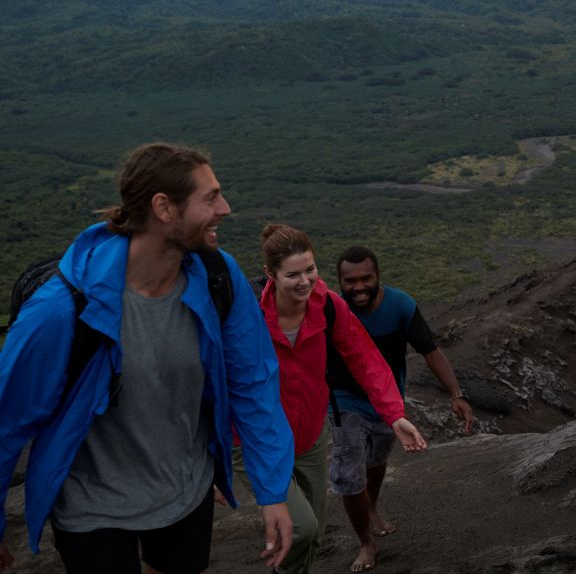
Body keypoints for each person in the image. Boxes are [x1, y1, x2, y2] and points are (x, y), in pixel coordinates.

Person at [0, 143, 295, 573]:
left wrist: (272, 492)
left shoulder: (218, 277)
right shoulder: (62, 310)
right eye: (210, 197)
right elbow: (8, 419)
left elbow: (253, 383)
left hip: (186, 491)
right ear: (164, 208)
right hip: (93, 507)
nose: (226, 208)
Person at [237, 225, 426, 574]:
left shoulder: (327, 306)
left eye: (310, 269)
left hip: (308, 435)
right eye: (292, 274)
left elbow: (363, 357)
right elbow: (218, 378)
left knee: (315, 532)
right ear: (270, 275)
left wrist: (393, 414)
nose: (305, 281)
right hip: (258, 437)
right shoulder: (247, 315)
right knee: (302, 528)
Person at [333, 246, 476, 571]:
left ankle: (372, 506)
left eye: (365, 278)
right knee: (350, 473)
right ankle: (366, 542)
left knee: (376, 460)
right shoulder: (333, 309)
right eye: (349, 280)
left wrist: (456, 394)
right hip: (344, 399)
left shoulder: (400, 306)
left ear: (378, 275)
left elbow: (430, 350)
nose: (358, 287)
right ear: (339, 281)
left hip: (388, 402)